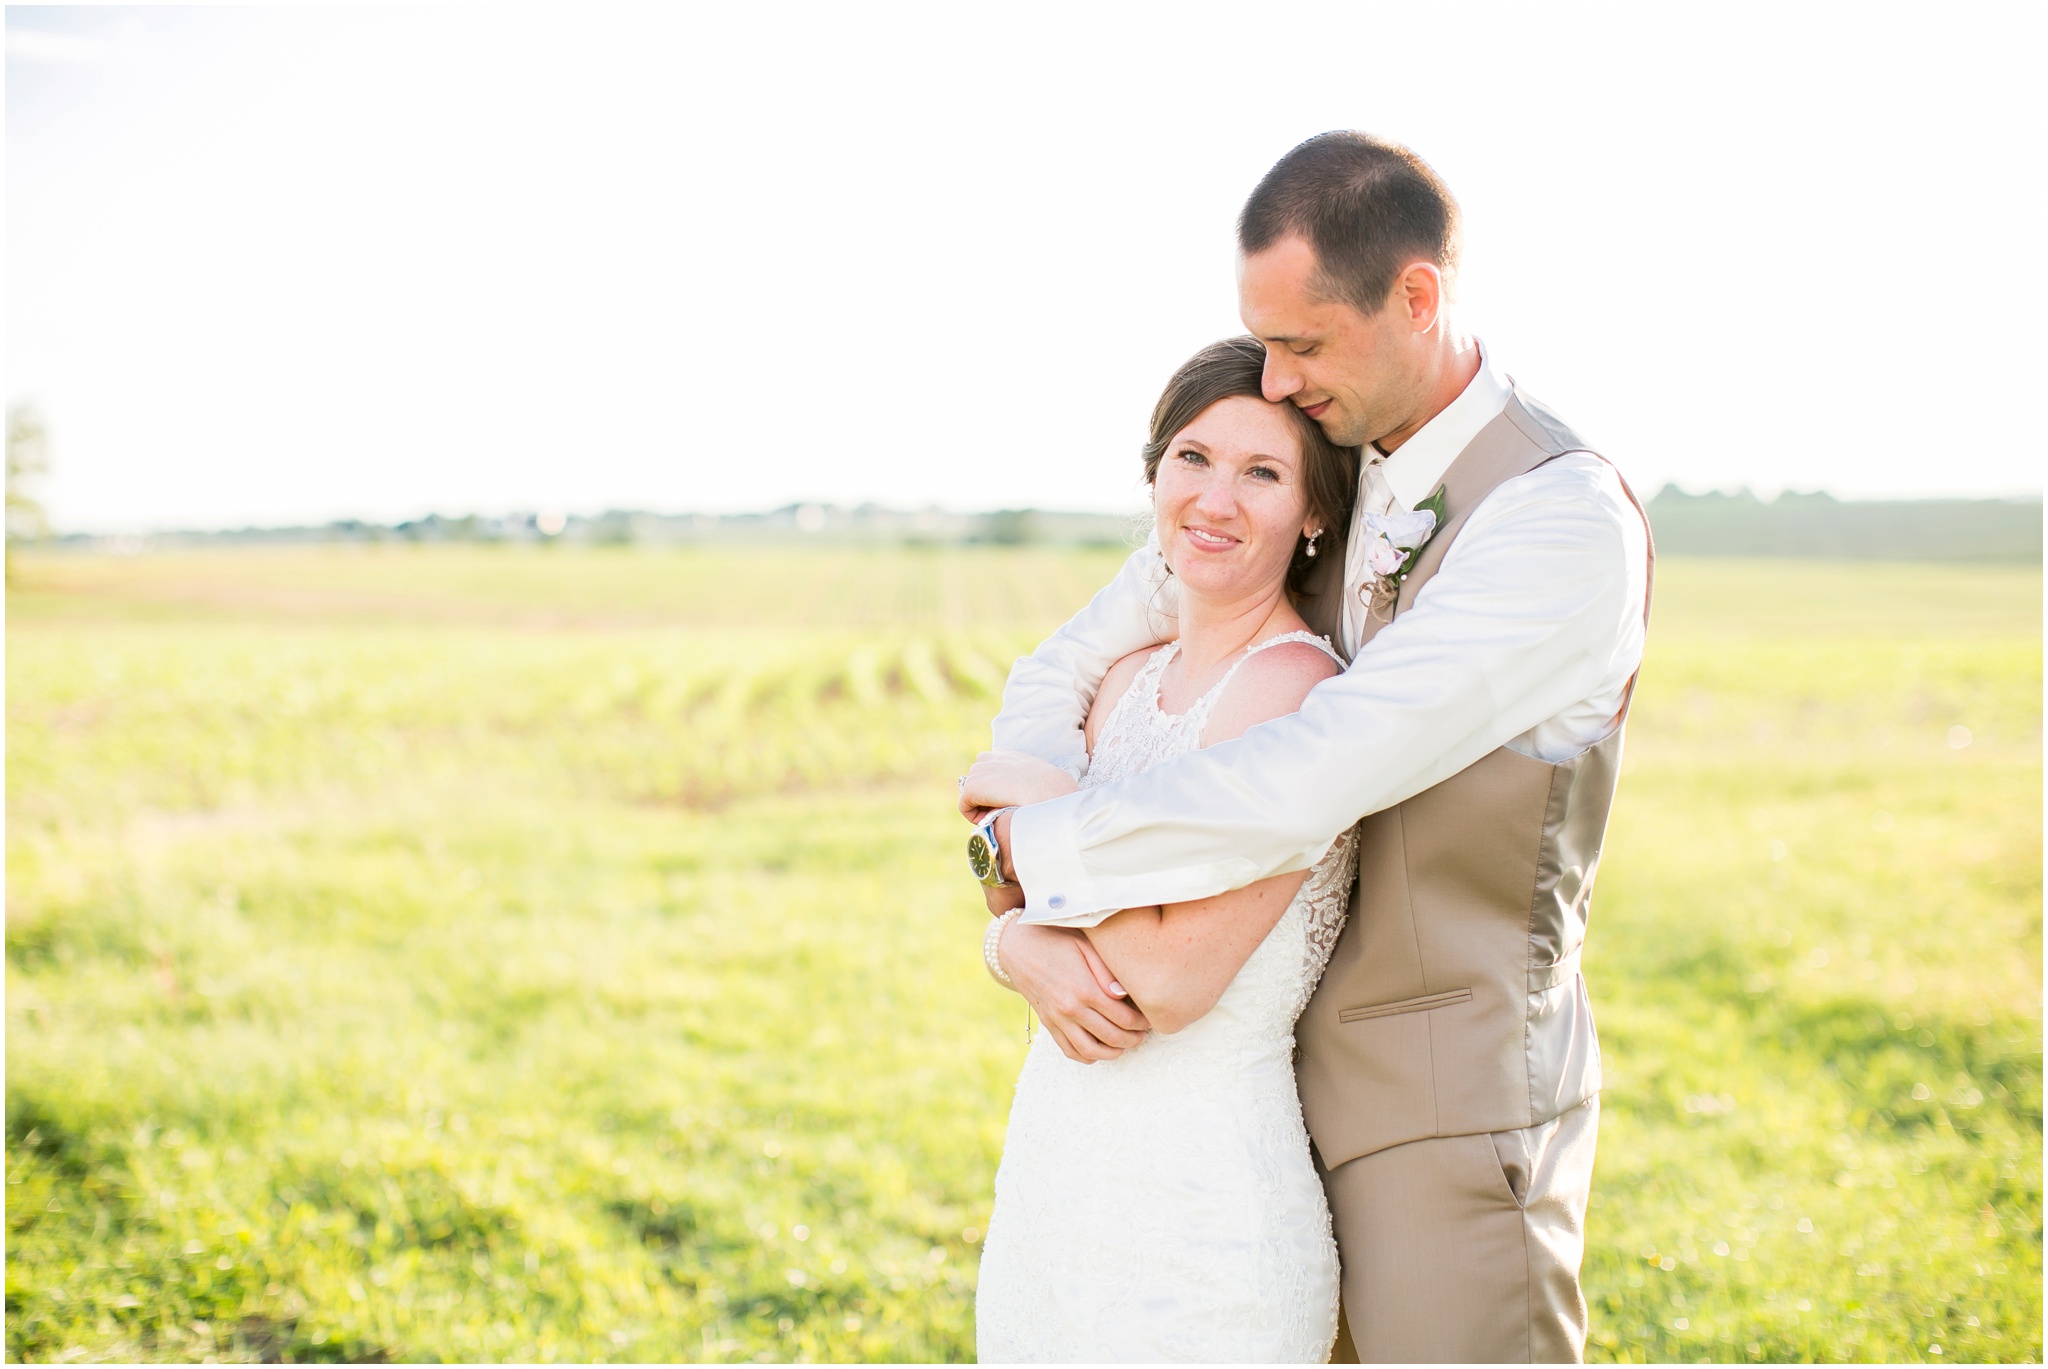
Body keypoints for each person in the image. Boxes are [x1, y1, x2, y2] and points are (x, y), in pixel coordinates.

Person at [961, 131, 1652, 1362]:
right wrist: (1014, 906)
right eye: (1260, 341)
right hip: (1258, 1090)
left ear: (1416, 298)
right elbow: (1074, 653)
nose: (1273, 385)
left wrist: (1035, 849)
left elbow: (1310, 769)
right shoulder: (1330, 474)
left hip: (1444, 1100)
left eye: (1302, 344)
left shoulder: (1554, 523)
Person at [970, 335, 1361, 1361]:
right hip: (1056, 1183)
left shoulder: (1293, 696)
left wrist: (1040, 804)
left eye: (1261, 473)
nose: (1213, 500)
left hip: (1198, 1218)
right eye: (1192, 457)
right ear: (1154, 475)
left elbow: (1165, 975)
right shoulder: (1117, 678)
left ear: (1314, 512)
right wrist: (1008, 947)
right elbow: (1002, 872)